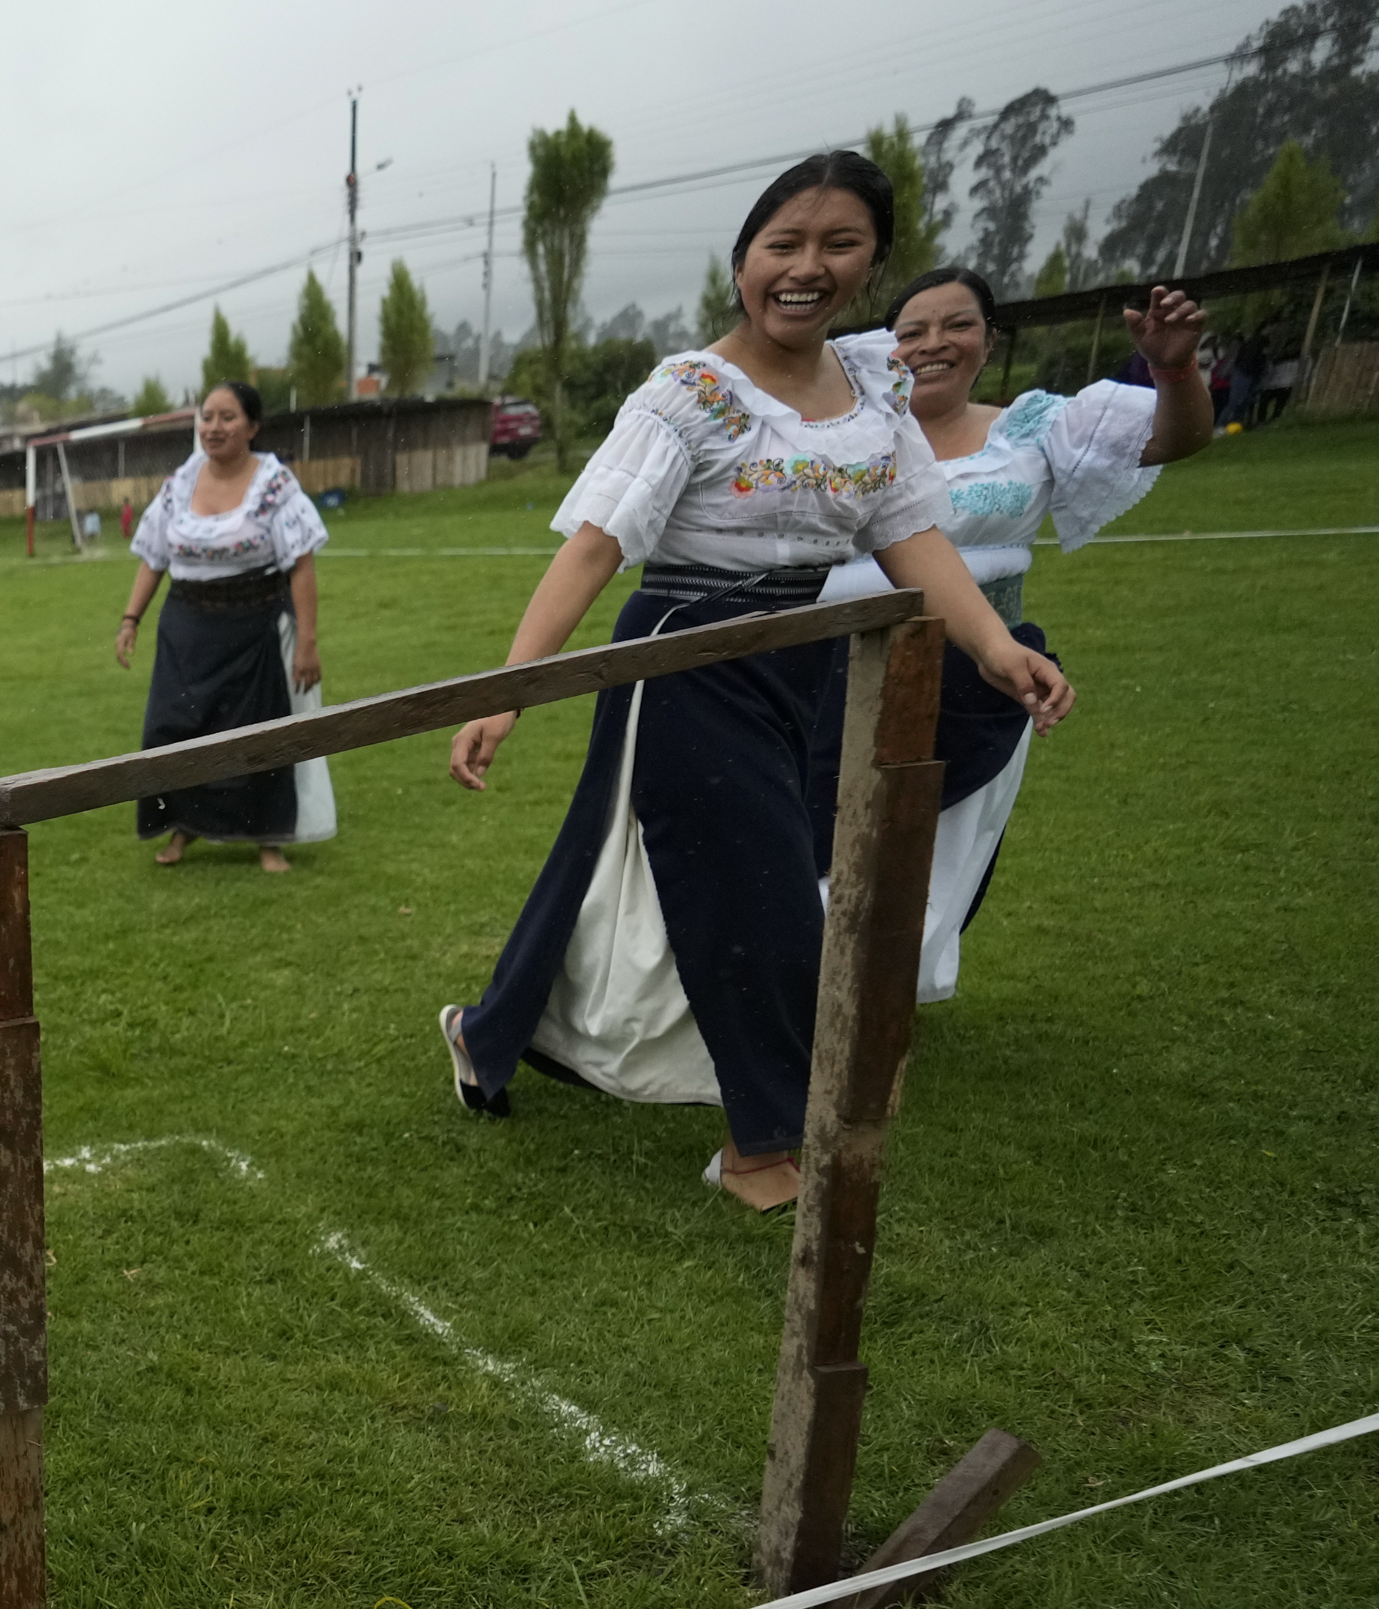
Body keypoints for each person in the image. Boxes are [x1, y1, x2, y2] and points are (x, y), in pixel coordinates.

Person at [438, 152, 1073, 1213]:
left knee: (618, 878)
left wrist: (992, 648)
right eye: (782, 244)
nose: (805, 268)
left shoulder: (873, 390)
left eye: (838, 245)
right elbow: (594, 548)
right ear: (741, 260)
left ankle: (488, 1028)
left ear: (869, 261)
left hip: (798, 664)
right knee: (768, 895)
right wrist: (507, 690)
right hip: (683, 659)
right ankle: (761, 1146)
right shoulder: (688, 393)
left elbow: (909, 531)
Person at [810, 270, 1212, 1001]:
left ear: (989, 341)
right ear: (881, 349)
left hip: (972, 678)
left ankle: (870, 1004)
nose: (933, 344)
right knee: (817, 839)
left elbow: (1173, 437)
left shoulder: (1031, 427)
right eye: (912, 331)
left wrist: (1174, 366)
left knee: (926, 853)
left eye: (957, 325)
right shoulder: (842, 438)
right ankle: (795, 988)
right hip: (829, 673)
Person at [112, 383, 333, 872]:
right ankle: (182, 829)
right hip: (186, 629)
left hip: (255, 626)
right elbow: (154, 557)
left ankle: (267, 838)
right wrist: (131, 619)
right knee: (171, 730)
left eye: (227, 417)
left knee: (257, 731)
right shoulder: (179, 483)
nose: (214, 427)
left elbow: (301, 565)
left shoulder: (275, 485)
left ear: (252, 426)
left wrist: (308, 643)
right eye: (207, 416)